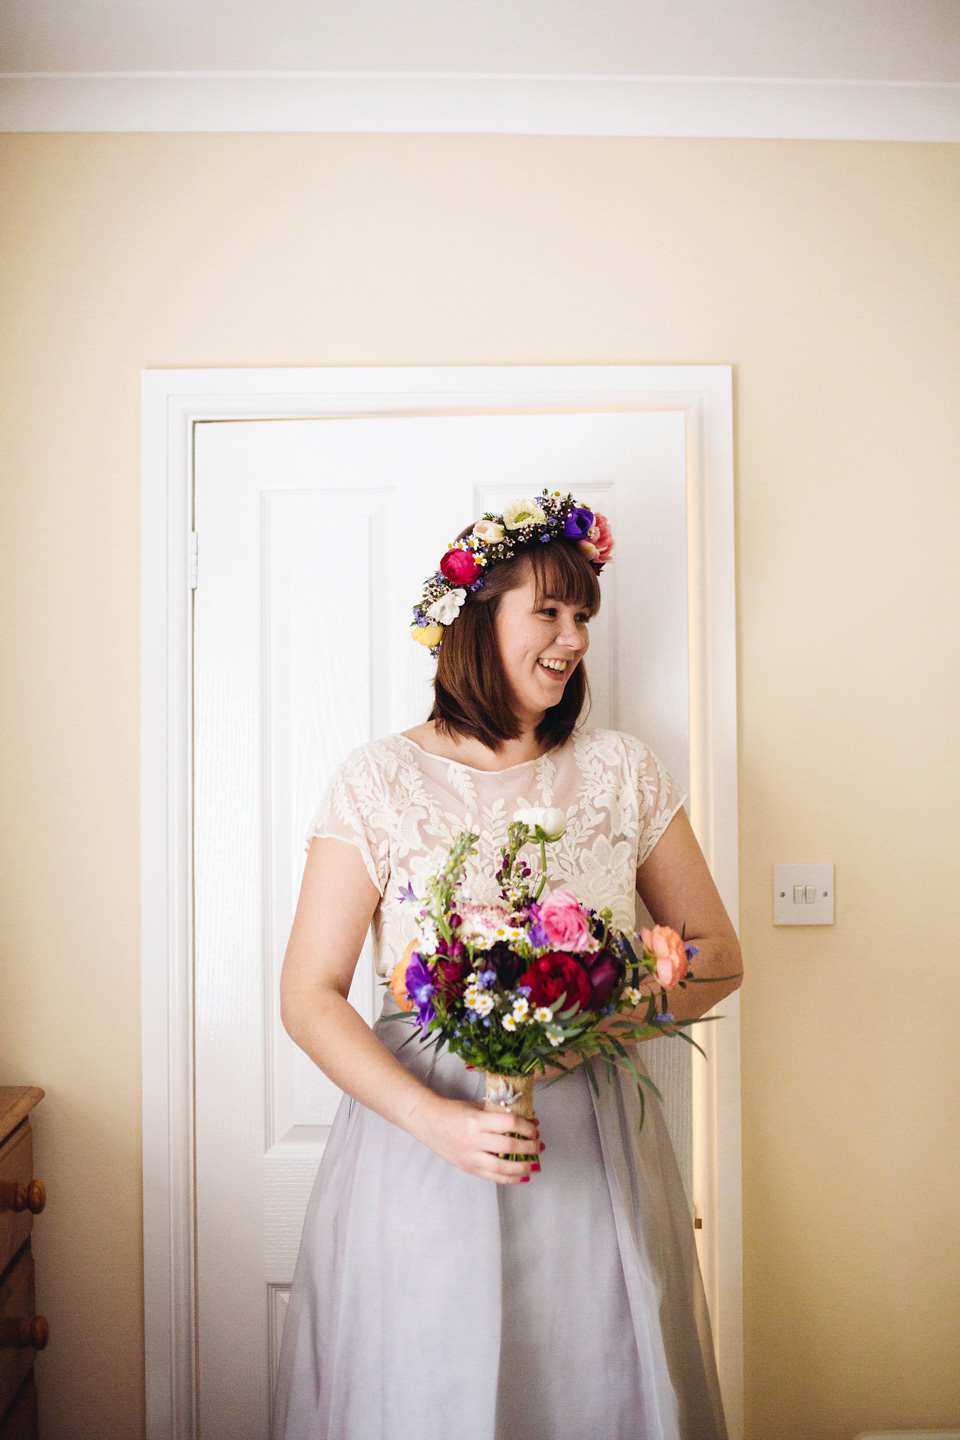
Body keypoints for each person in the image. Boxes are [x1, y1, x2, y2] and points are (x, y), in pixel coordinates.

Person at [272, 493, 743, 1440]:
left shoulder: (623, 771)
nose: (571, 640)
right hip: (418, 1134)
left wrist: (588, 1035)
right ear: (476, 617)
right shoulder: (378, 778)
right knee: (423, 1385)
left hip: (592, 1132)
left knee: (592, 1379)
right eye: (549, 612)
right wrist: (436, 1120)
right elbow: (307, 994)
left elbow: (717, 955)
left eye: (584, 618)